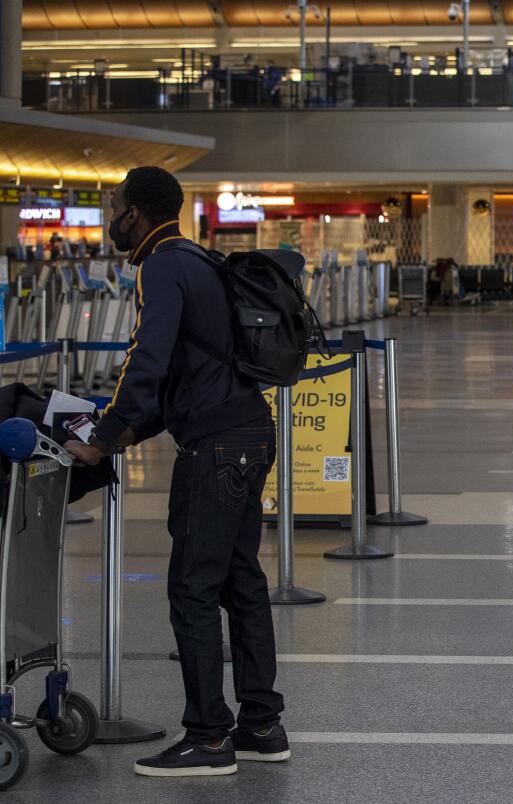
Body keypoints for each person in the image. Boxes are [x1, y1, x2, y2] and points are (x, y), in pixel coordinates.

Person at [64, 166, 289, 777]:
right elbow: (190, 376)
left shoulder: (160, 263)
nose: (111, 219)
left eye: (114, 208)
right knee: (241, 582)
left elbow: (148, 357)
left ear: (134, 211)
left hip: (216, 449)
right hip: (248, 432)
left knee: (192, 588)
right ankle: (262, 725)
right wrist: (128, 434)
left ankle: (209, 738)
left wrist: (105, 434)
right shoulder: (200, 258)